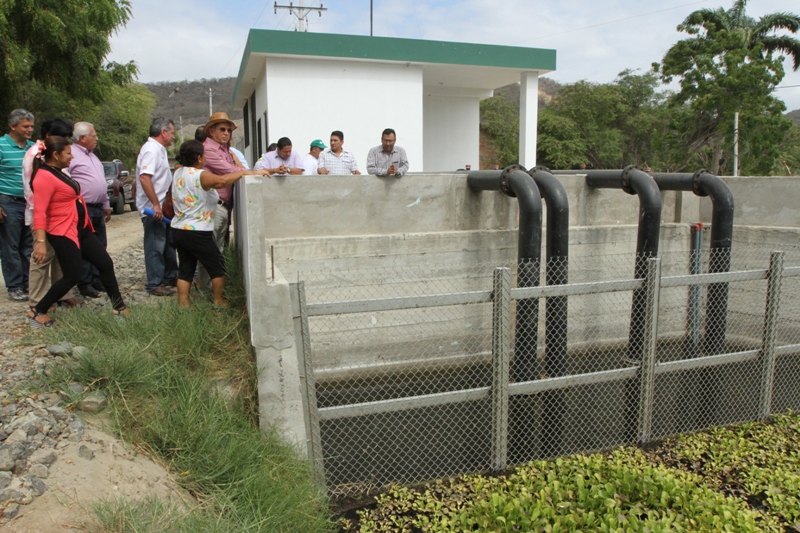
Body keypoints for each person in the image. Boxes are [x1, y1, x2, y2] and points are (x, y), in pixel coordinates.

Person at [27, 136, 130, 327]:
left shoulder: (59, 171)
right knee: (72, 275)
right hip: (62, 232)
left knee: (105, 263)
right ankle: (38, 311)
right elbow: (40, 211)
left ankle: (120, 307)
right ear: (56, 155)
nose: (71, 156)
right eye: (68, 153)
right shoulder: (43, 176)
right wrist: (40, 243)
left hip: (80, 229)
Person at [171, 140, 270, 308]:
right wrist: (243, 173)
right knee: (217, 267)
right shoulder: (199, 175)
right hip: (198, 230)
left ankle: (183, 304)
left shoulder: (178, 172)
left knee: (186, 269)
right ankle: (218, 301)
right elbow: (222, 181)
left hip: (179, 228)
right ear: (200, 157)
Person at [22, 117, 82, 309]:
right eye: (62, 137)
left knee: (59, 257)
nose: (66, 141)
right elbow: (37, 195)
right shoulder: (36, 155)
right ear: (49, 137)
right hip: (44, 216)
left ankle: (62, 294)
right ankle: (38, 301)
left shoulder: (56, 154)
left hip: (61, 217)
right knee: (42, 256)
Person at [200, 112, 243, 290]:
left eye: (229, 130)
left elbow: (238, 168)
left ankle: (212, 289)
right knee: (209, 251)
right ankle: (204, 289)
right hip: (212, 207)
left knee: (217, 250)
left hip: (224, 207)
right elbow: (230, 171)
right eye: (222, 129)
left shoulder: (226, 150)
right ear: (211, 131)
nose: (226, 133)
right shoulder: (208, 150)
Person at [135, 117, 178, 296]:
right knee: (155, 246)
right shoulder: (151, 150)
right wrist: (155, 205)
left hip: (163, 207)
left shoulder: (159, 150)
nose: (173, 137)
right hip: (154, 209)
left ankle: (169, 276)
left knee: (168, 244)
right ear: (163, 132)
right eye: (172, 132)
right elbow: (145, 178)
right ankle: (154, 283)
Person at [69, 122, 110, 299]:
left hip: (97, 207)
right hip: (82, 208)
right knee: (85, 247)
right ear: (82, 138)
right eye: (94, 135)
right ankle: (84, 282)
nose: (97, 138)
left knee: (100, 245)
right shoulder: (71, 154)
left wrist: (106, 204)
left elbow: (101, 181)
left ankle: (96, 278)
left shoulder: (93, 156)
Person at [0, 109, 35, 301]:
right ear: (12, 126)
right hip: (8, 202)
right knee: (10, 246)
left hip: (29, 203)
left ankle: (28, 283)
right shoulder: (1, 146)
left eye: (31, 126)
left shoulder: (33, 148)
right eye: (25, 126)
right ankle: (14, 286)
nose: (30, 129)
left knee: (27, 246)